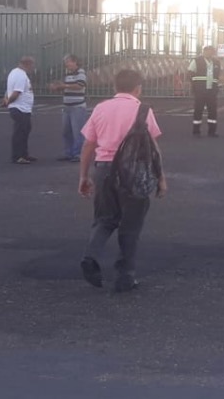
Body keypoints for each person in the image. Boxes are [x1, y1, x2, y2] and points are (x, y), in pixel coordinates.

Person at [78, 69, 165, 293]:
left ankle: (90, 257)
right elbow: (153, 148)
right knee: (131, 226)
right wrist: (161, 178)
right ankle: (125, 276)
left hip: (104, 169)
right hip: (134, 172)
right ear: (138, 88)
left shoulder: (100, 108)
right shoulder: (143, 110)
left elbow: (89, 144)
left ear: (114, 87)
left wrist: (83, 176)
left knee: (104, 219)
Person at [52, 54, 88, 161]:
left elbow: (80, 85)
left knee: (78, 132)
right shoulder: (68, 75)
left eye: (68, 62)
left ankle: (78, 154)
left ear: (75, 62)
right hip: (67, 107)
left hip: (77, 107)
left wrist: (64, 86)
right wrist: (58, 87)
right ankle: (68, 152)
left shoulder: (81, 73)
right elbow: (67, 88)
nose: (66, 64)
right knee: (66, 131)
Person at [3, 56, 36, 164]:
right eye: (32, 65)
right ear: (27, 64)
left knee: (25, 130)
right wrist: (8, 102)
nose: (32, 68)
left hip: (22, 108)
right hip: (20, 108)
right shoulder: (21, 75)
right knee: (20, 132)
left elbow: (9, 89)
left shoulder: (14, 72)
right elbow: (16, 92)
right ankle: (18, 156)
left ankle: (24, 154)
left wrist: (6, 99)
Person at [188, 45, 222, 137]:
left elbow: (217, 75)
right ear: (204, 51)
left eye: (211, 51)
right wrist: (195, 85)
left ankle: (212, 131)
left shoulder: (216, 62)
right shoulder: (196, 61)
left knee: (213, 111)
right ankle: (196, 131)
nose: (210, 53)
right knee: (198, 110)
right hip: (200, 90)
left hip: (212, 90)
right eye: (208, 51)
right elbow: (190, 73)